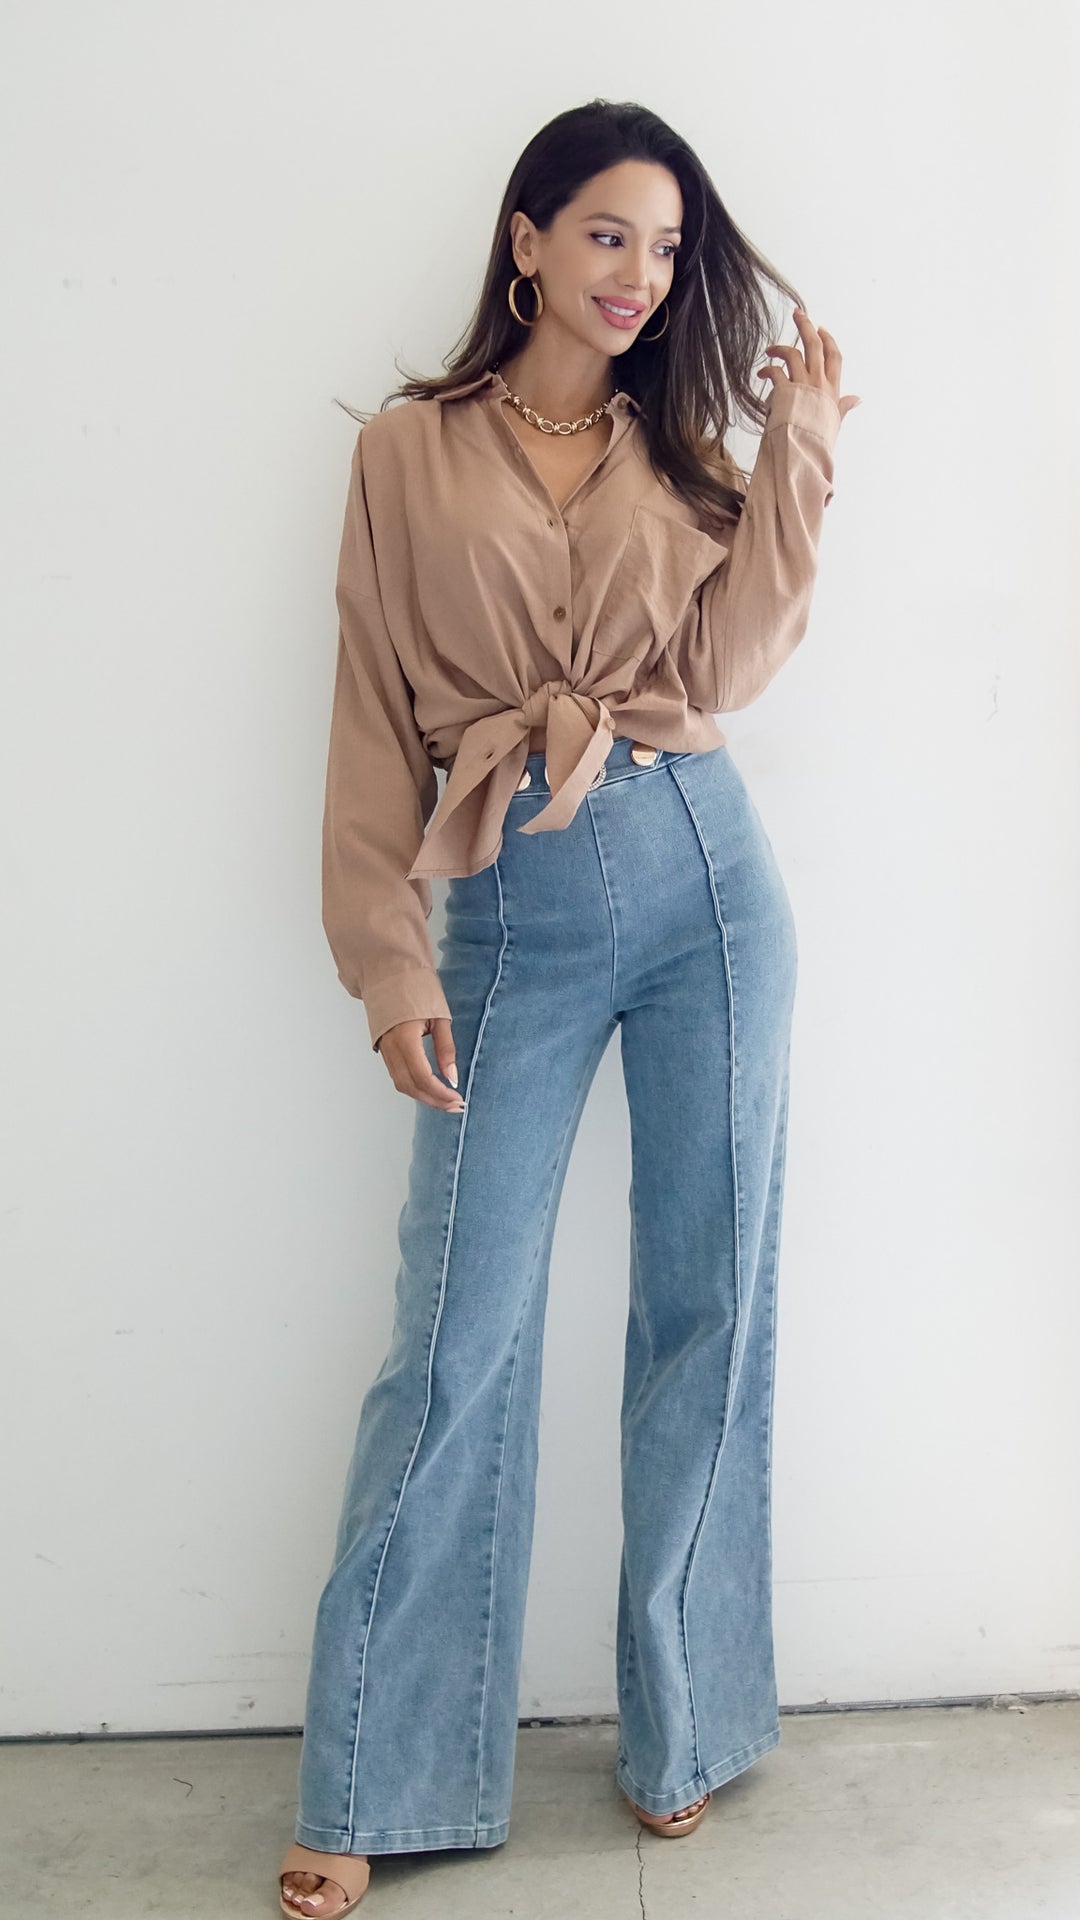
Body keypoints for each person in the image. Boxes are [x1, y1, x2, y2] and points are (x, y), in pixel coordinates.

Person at [279, 96, 859, 1918]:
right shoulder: (407, 451)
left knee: (709, 1304)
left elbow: (727, 666)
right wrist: (387, 960)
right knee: (454, 1340)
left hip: (705, 880)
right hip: (508, 913)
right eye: (610, 233)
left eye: (668, 248)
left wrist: (797, 457)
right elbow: (371, 723)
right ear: (527, 239)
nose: (641, 275)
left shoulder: (676, 452)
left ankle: (687, 1728)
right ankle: (378, 1773)